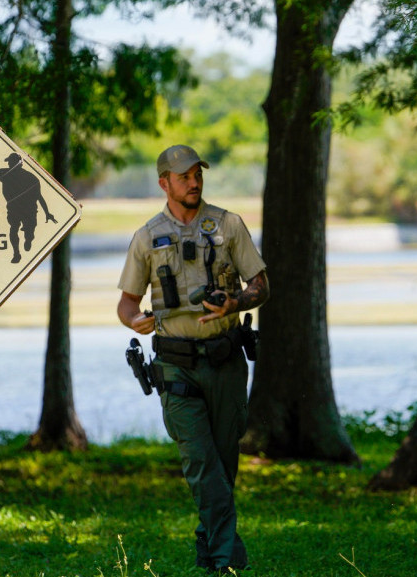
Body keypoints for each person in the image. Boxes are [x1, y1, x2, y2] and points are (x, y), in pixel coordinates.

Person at [117, 144, 269, 574]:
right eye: (183, 176)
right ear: (164, 182)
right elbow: (127, 304)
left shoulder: (228, 225)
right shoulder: (146, 238)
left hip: (224, 360)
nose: (194, 182)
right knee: (200, 461)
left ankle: (208, 544)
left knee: (223, 462)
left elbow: (261, 285)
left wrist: (235, 301)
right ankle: (226, 560)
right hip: (175, 365)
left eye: (197, 174)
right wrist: (136, 322)